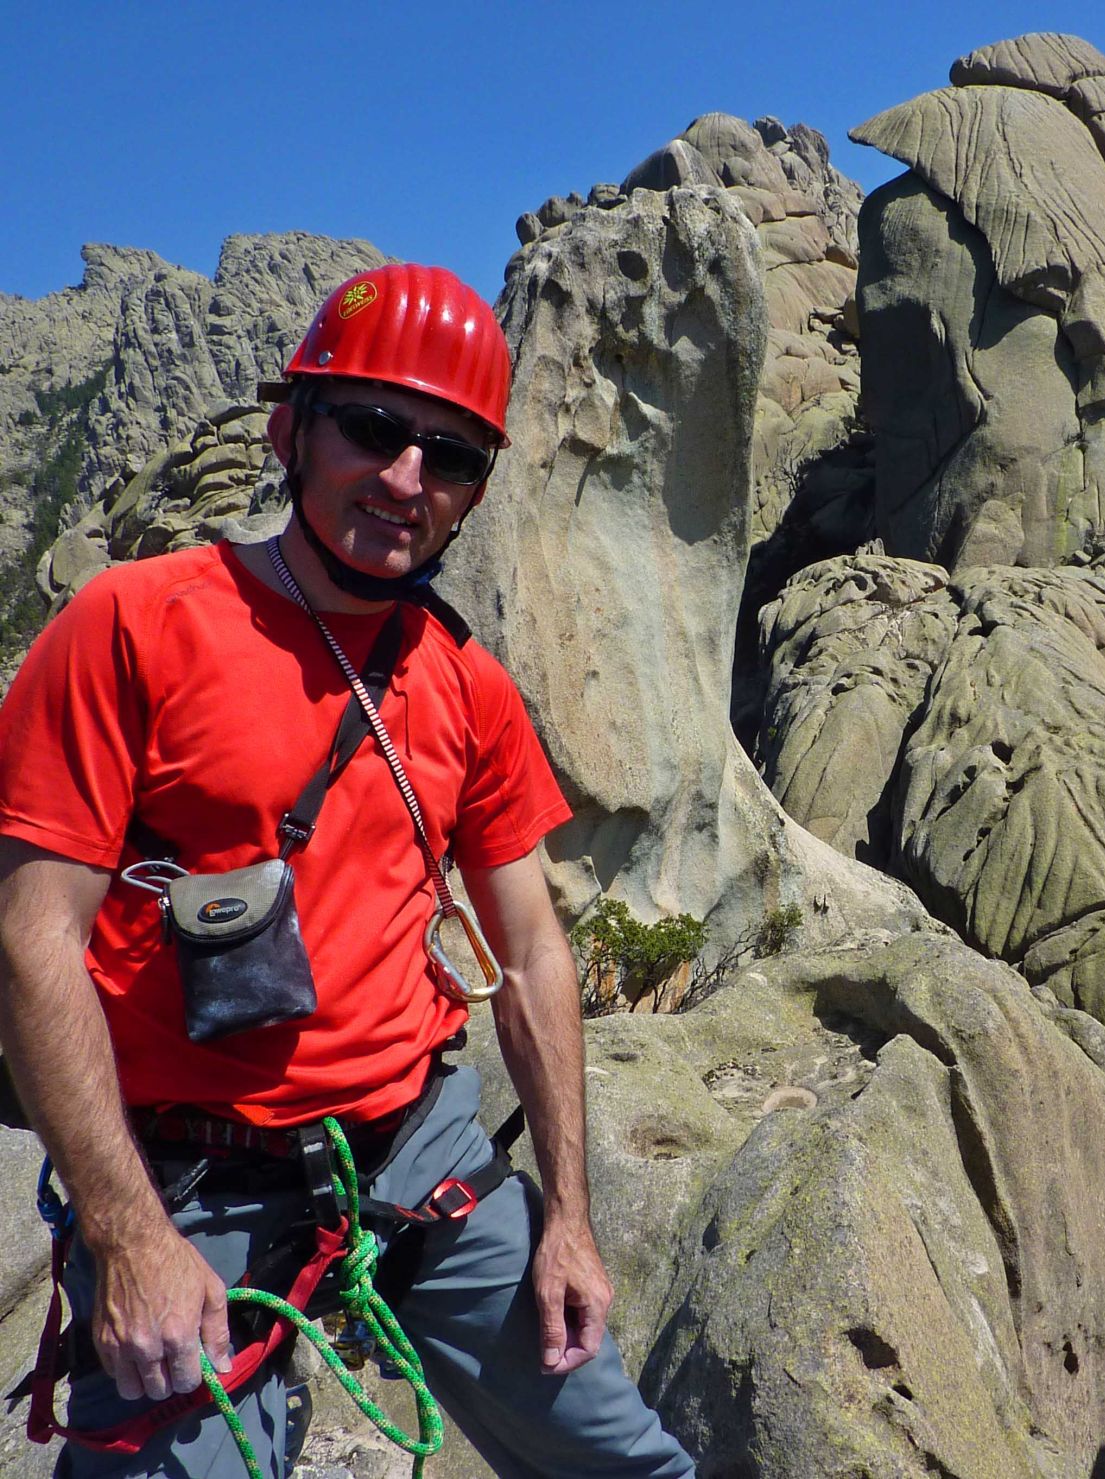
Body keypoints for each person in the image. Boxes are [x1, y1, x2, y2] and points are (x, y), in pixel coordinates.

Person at [0, 263, 696, 1477]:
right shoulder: (132, 624)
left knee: (625, 1461)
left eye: (454, 455)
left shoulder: (463, 681)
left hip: (415, 1148)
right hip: (187, 1175)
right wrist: (124, 1238)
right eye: (374, 429)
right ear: (293, 428)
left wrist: (571, 1223)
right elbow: (31, 937)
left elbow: (530, 950)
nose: (407, 479)